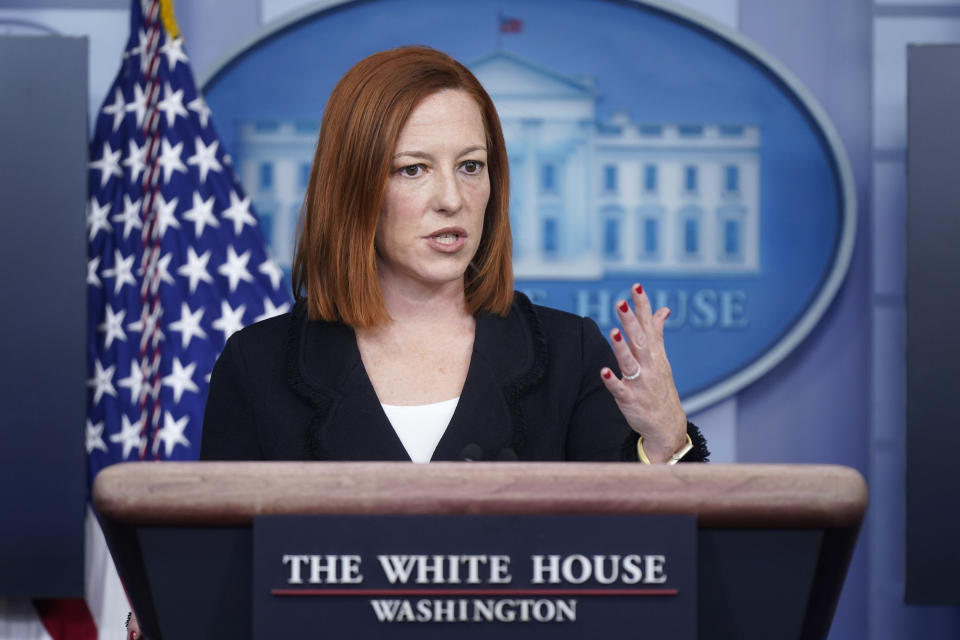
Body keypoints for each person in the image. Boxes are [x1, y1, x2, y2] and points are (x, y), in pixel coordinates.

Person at [199, 46, 708, 464]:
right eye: (413, 169)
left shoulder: (570, 354)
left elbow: (639, 562)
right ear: (353, 188)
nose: (452, 198)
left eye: (470, 166)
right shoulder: (256, 365)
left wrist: (666, 441)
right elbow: (218, 575)